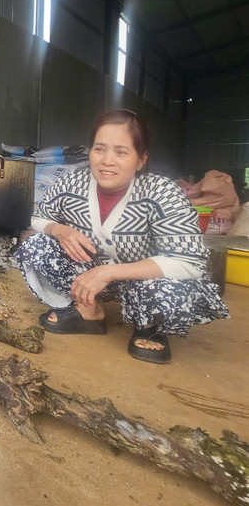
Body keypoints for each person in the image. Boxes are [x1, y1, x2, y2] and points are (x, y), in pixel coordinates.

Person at [15, 109, 229, 364]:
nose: (107, 160)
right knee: (36, 246)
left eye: (121, 152)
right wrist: (59, 230)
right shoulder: (72, 184)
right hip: (88, 275)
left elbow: (189, 262)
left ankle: (150, 325)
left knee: (174, 285)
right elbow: (38, 218)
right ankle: (88, 311)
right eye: (99, 149)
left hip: (144, 283)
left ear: (141, 160)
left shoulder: (162, 193)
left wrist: (109, 272)